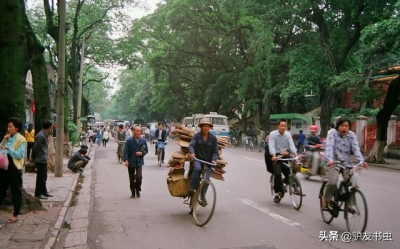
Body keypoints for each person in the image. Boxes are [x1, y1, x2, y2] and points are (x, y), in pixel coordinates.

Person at [322, 118, 367, 210]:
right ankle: (326, 199)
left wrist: (361, 161)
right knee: (332, 182)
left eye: (347, 126)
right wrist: (330, 159)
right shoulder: (332, 133)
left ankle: (349, 204)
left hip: (346, 162)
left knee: (351, 184)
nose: (344, 128)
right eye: (342, 126)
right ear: (338, 126)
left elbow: (356, 149)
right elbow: (329, 147)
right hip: (333, 162)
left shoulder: (352, 135)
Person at [0, 117, 27, 224]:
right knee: (1, 190)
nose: (8, 128)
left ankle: (15, 214)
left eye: (10, 126)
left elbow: (20, 154)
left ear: (17, 128)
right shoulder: (7, 138)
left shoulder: (21, 139)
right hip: (4, 168)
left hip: (14, 168)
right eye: (8, 126)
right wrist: (4, 141)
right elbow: (0, 149)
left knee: (16, 191)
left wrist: (9, 149)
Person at [268, 119, 298, 203]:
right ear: (278, 126)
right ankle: (278, 193)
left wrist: (296, 154)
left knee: (293, 169)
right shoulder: (273, 134)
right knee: (277, 174)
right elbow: (271, 145)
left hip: (285, 154)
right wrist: (274, 155)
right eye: (282, 126)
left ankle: (286, 183)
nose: (283, 127)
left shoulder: (288, 134)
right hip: (276, 156)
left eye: (285, 126)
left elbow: (291, 145)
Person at [188, 118, 219, 196]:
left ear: (210, 127)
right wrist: (192, 153)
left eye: (207, 126)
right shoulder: (197, 136)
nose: (206, 128)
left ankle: (203, 195)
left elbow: (215, 152)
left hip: (208, 162)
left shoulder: (213, 138)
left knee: (206, 179)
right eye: (204, 126)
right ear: (201, 127)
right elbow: (191, 145)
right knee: (197, 169)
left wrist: (214, 160)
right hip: (198, 159)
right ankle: (192, 188)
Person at [31, 120, 54, 200]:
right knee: (41, 177)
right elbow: (36, 148)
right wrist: (32, 157)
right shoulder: (41, 136)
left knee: (44, 176)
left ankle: (44, 191)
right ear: (50, 127)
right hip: (40, 159)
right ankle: (38, 193)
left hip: (43, 158)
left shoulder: (44, 134)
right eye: (52, 126)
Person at [123, 126, 148, 198]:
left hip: (139, 161)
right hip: (131, 161)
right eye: (137, 131)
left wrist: (141, 153)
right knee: (131, 178)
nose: (138, 132)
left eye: (139, 131)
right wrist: (126, 160)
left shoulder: (143, 140)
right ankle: (133, 192)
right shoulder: (129, 141)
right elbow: (125, 151)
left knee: (139, 177)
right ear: (134, 131)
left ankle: (138, 189)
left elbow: (146, 150)